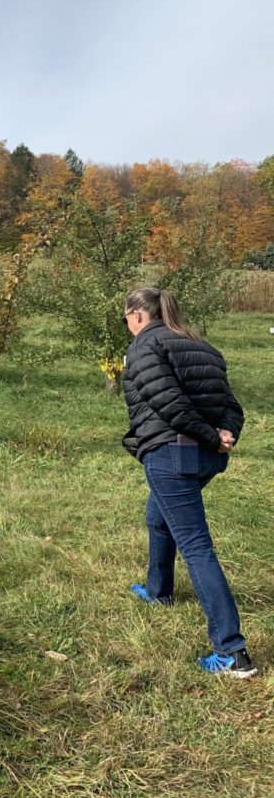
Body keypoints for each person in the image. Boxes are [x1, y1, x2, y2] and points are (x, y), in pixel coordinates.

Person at [122, 286, 256, 678]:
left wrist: (213, 436)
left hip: (173, 455)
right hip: (204, 459)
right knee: (157, 516)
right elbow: (233, 407)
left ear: (137, 315)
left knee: (196, 546)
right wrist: (225, 435)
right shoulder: (202, 347)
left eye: (126, 317)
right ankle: (158, 590)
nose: (127, 324)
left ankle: (232, 651)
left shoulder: (144, 347)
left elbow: (169, 404)